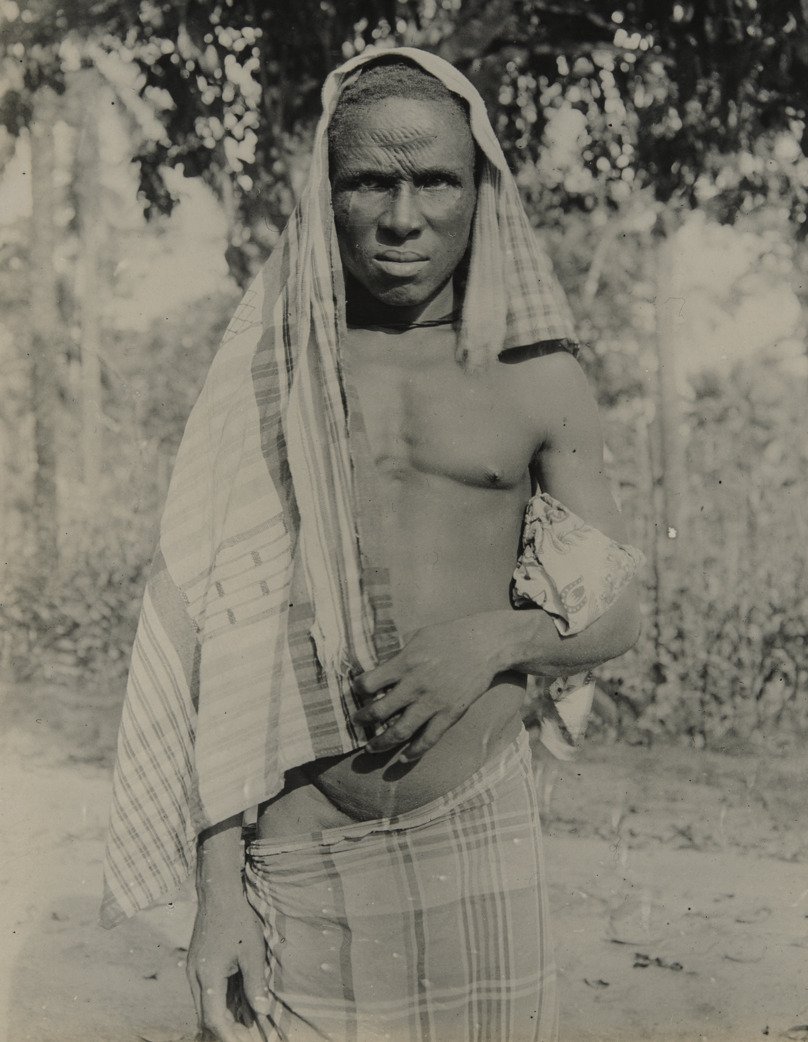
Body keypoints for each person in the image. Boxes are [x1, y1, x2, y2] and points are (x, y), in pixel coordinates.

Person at [101, 48, 643, 1042]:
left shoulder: (537, 379)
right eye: (370, 182)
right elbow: (217, 648)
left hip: (473, 838)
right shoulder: (275, 375)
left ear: (478, 189)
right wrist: (216, 893)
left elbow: (614, 612)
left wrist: (489, 640)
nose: (402, 220)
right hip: (294, 855)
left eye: (434, 180)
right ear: (328, 190)